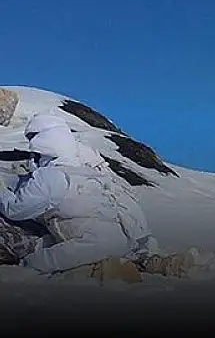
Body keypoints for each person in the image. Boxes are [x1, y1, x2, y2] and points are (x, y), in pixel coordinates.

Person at [0, 113, 184, 280]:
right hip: (120, 240)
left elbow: (15, 209)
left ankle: (102, 272)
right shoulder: (86, 171)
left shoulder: (51, 175)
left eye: (32, 137)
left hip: (89, 244)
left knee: (35, 263)